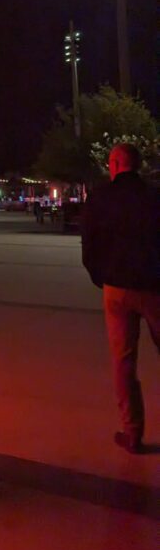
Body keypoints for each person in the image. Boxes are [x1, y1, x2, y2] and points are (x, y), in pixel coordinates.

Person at [81, 142, 159, 454]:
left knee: (123, 362)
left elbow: (89, 244)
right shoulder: (153, 197)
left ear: (114, 165)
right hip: (153, 287)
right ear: (136, 165)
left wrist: (99, 276)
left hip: (116, 288)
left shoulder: (100, 197)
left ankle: (132, 431)